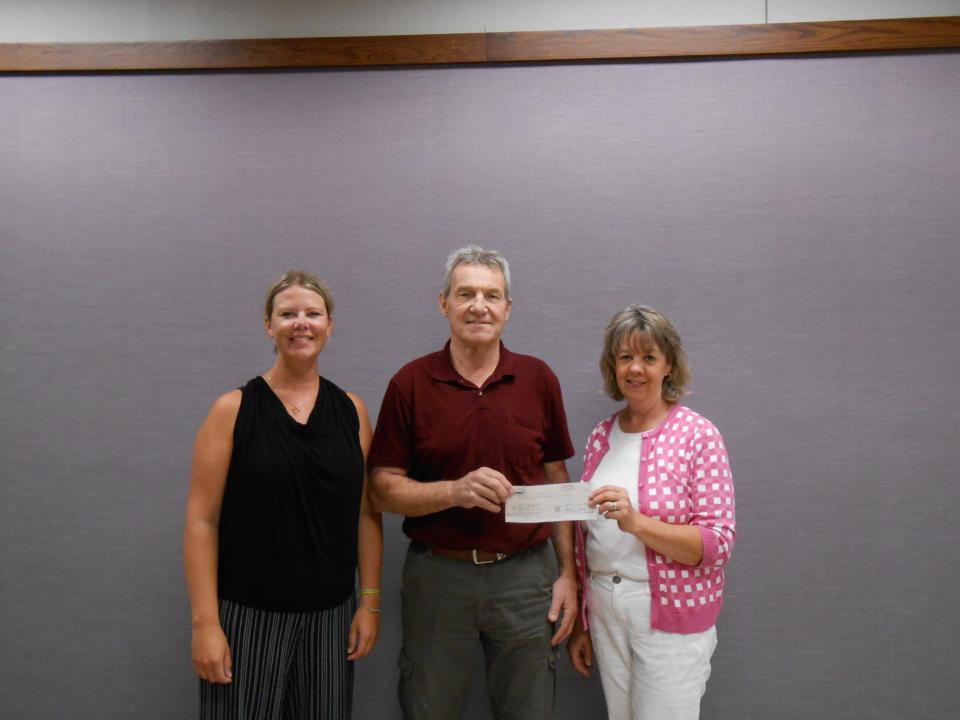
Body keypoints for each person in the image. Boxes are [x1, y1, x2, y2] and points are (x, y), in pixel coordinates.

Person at [368, 246, 577, 720]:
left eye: (491, 295)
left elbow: (556, 478)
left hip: (526, 579)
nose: (478, 305)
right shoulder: (411, 383)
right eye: (465, 294)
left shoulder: (538, 378)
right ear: (444, 303)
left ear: (507, 308)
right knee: (428, 708)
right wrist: (453, 491)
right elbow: (381, 488)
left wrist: (568, 574)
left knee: (530, 710)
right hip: (439, 578)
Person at [183, 270, 383, 720]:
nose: (301, 323)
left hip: (330, 620)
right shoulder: (232, 409)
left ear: (330, 326)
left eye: (313, 313)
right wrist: (205, 623)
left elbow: (367, 514)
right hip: (246, 619)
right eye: (287, 313)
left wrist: (369, 603)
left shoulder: (352, 410)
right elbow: (201, 521)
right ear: (268, 325)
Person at [566, 304, 736, 720]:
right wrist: (583, 623)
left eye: (648, 357)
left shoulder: (698, 435)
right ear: (613, 366)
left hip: (668, 614)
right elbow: (583, 536)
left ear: (669, 365)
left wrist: (636, 522)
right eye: (625, 357)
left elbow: (717, 544)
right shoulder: (601, 436)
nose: (635, 369)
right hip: (606, 608)